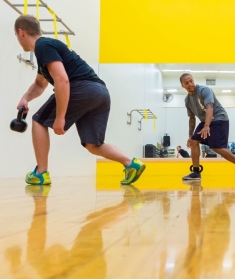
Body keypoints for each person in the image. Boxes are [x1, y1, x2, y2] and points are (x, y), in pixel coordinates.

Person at [13, 14, 145, 185]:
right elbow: (40, 84)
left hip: (82, 87)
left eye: (16, 36)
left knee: (39, 121)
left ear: (21, 32)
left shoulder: (43, 46)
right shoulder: (45, 51)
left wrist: (60, 117)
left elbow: (62, 80)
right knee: (93, 144)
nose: (17, 39)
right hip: (100, 93)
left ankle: (41, 172)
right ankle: (131, 163)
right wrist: (25, 98)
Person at [180, 73, 235, 181]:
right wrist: (190, 135)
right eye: (186, 83)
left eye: (191, 81)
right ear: (182, 85)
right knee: (194, 141)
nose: (190, 84)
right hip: (205, 121)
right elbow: (192, 118)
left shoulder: (204, 90)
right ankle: (195, 172)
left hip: (219, 118)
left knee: (216, 146)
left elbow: (210, 107)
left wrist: (207, 126)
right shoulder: (187, 100)